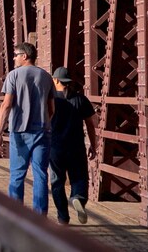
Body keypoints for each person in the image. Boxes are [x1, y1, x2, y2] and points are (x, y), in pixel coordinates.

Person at [0, 42, 55, 215]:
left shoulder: (13, 75)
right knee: (41, 175)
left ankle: (16, 215)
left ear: (25, 56)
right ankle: (40, 216)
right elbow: (52, 108)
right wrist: (45, 121)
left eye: (15, 55)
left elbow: (6, 105)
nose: (13, 58)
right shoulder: (46, 77)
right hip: (42, 131)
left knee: (17, 175)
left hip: (20, 132)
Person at [49, 66, 96, 225]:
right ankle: (78, 197)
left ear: (55, 80)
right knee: (80, 176)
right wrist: (93, 146)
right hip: (76, 146)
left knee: (57, 181)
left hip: (55, 147)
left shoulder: (51, 100)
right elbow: (90, 125)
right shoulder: (80, 99)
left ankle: (63, 217)